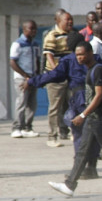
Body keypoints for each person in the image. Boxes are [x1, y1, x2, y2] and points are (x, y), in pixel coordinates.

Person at [48, 41, 102, 198]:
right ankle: (70, 185)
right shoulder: (91, 70)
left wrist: (83, 115)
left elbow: (99, 96)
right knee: (82, 152)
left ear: (90, 53)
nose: (79, 58)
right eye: (77, 55)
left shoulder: (99, 70)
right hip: (93, 118)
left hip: (99, 118)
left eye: (82, 54)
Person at [42, 10, 74, 147]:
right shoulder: (52, 35)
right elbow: (49, 55)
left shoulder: (71, 35)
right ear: (59, 21)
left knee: (73, 104)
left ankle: (73, 132)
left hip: (70, 76)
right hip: (56, 78)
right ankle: (52, 136)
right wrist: (56, 70)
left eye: (71, 19)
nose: (70, 22)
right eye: (67, 20)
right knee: (55, 107)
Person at [9, 20, 41, 138]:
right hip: (21, 78)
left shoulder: (35, 44)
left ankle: (28, 127)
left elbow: (38, 60)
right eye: (31, 29)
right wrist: (25, 75)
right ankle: (17, 127)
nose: (33, 31)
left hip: (33, 77)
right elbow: (12, 62)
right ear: (24, 29)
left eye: (35, 29)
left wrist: (37, 75)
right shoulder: (18, 43)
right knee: (21, 102)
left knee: (32, 103)